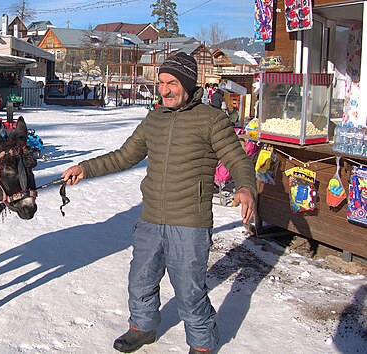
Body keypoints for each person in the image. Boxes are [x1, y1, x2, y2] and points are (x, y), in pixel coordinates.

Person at [61, 52, 256, 354]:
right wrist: (86, 168)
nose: (164, 90)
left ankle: (202, 343)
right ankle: (142, 326)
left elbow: (236, 158)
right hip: (151, 217)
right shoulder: (154, 119)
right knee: (141, 278)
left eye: (172, 83)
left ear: (189, 85)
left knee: (189, 290)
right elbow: (124, 156)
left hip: (189, 221)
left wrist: (245, 187)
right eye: (161, 83)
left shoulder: (211, 119)